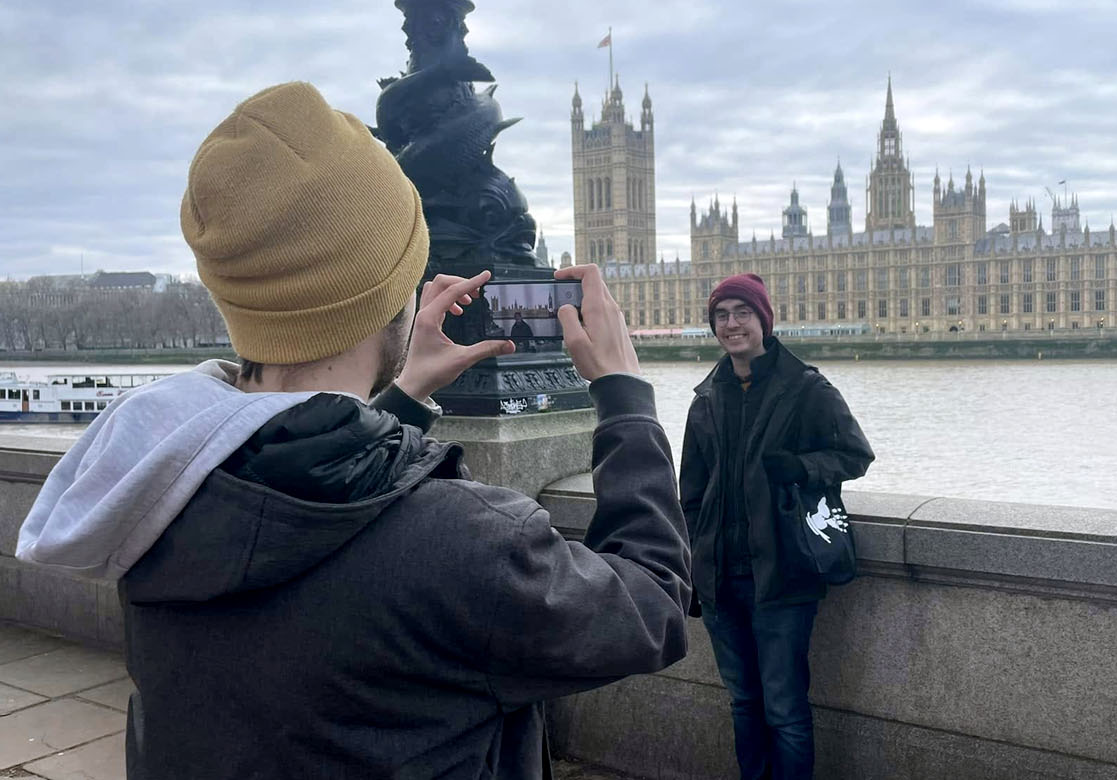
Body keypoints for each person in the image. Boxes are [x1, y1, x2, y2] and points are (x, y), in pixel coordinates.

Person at [16, 82, 691, 779]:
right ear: (392, 290)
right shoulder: (467, 542)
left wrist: (402, 396)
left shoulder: (154, 493)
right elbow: (652, 605)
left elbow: (305, 515)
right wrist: (626, 396)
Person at [679, 273, 873, 780]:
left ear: (763, 319)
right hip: (722, 579)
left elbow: (855, 455)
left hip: (783, 574)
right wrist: (696, 567)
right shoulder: (706, 398)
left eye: (742, 312)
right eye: (721, 315)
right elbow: (691, 495)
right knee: (744, 703)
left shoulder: (807, 388)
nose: (731, 324)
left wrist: (802, 468)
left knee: (785, 710)